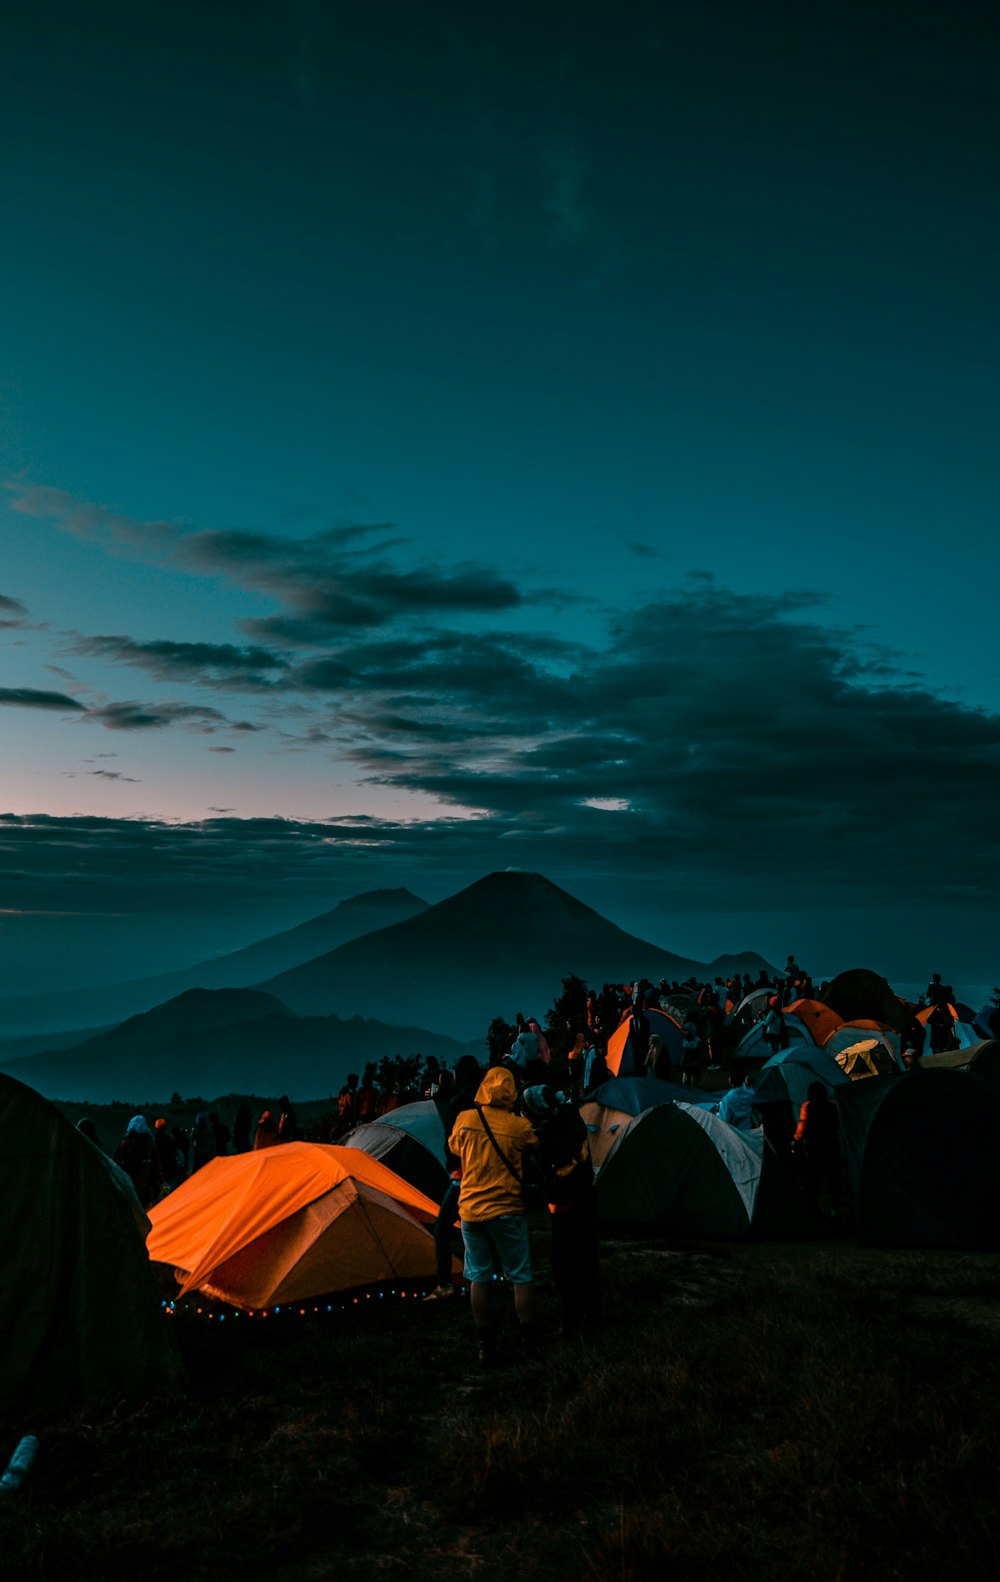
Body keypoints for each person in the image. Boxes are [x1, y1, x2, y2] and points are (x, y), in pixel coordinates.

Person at [447, 1065, 538, 1366]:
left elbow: (454, 1148)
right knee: (520, 1275)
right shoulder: (518, 1127)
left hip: (471, 1211)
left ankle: (486, 1345)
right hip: (507, 1209)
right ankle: (529, 1341)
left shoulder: (465, 1120)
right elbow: (535, 1144)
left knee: (478, 1277)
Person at [521, 1086, 600, 1338]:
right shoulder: (569, 1116)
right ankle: (592, 1315)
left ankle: (572, 1320)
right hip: (587, 1199)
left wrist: (537, 1187)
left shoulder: (550, 1140)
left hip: (565, 1207)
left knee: (565, 1265)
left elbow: (556, 1182)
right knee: (588, 1260)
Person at [424, 1054, 483, 1303]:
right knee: (485, 1224)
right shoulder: (485, 1097)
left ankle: (444, 1283)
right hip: (487, 1171)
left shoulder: (458, 1103)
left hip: (462, 1174)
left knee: (443, 1225)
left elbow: (452, 1143)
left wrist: (452, 1166)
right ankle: (505, 1277)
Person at [792, 1082, 840, 1218]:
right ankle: (834, 1208)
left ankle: (812, 1208)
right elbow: (837, 1125)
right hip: (831, 1145)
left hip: (814, 1147)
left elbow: (802, 1125)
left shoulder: (807, 1106)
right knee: (834, 1179)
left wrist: (796, 1141)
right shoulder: (832, 1106)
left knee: (814, 1179)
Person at [113, 1115, 163, 1209]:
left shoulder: (124, 1144)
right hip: (146, 1193)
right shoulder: (150, 1144)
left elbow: (115, 1166)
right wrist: (157, 1186)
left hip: (128, 1192)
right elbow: (156, 1167)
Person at [715, 1065, 756, 1130]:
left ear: (730, 1080)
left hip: (735, 1134)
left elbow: (723, 1119)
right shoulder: (750, 1093)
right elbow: (749, 1088)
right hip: (748, 1130)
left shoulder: (728, 1099)